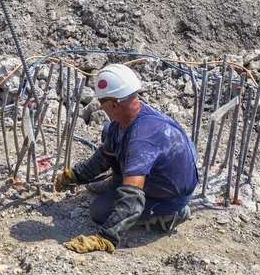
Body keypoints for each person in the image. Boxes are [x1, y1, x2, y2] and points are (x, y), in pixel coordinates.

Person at [54, 64, 198, 253]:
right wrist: (75, 175)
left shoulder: (141, 140)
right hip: (163, 172)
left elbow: (132, 197)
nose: (100, 107)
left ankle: (170, 216)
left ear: (113, 104)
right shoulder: (129, 118)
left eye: (101, 102)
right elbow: (103, 156)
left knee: (99, 212)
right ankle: (117, 182)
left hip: (170, 196)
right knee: (108, 131)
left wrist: (106, 238)